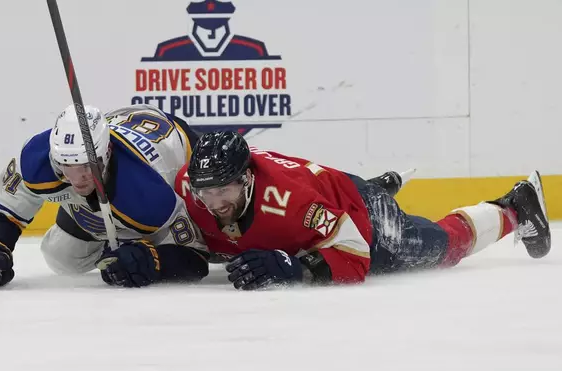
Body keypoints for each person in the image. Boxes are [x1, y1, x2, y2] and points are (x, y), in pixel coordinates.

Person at [175, 130, 551, 290]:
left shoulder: (295, 204)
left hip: (357, 214)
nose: (214, 204)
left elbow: (355, 258)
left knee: (436, 248)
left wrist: (297, 270)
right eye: (205, 193)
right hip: (324, 192)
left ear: (247, 180)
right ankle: (377, 186)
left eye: (223, 191)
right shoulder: (193, 190)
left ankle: (513, 208)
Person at [0, 104, 209, 289]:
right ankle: (105, 224)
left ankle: (129, 237)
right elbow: (4, 209)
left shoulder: (148, 190)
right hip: (121, 129)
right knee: (61, 257)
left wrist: (152, 260)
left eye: (86, 167)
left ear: (107, 153)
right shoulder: (35, 159)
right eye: (65, 167)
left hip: (176, 144)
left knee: (219, 244)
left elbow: (196, 256)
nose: (77, 180)